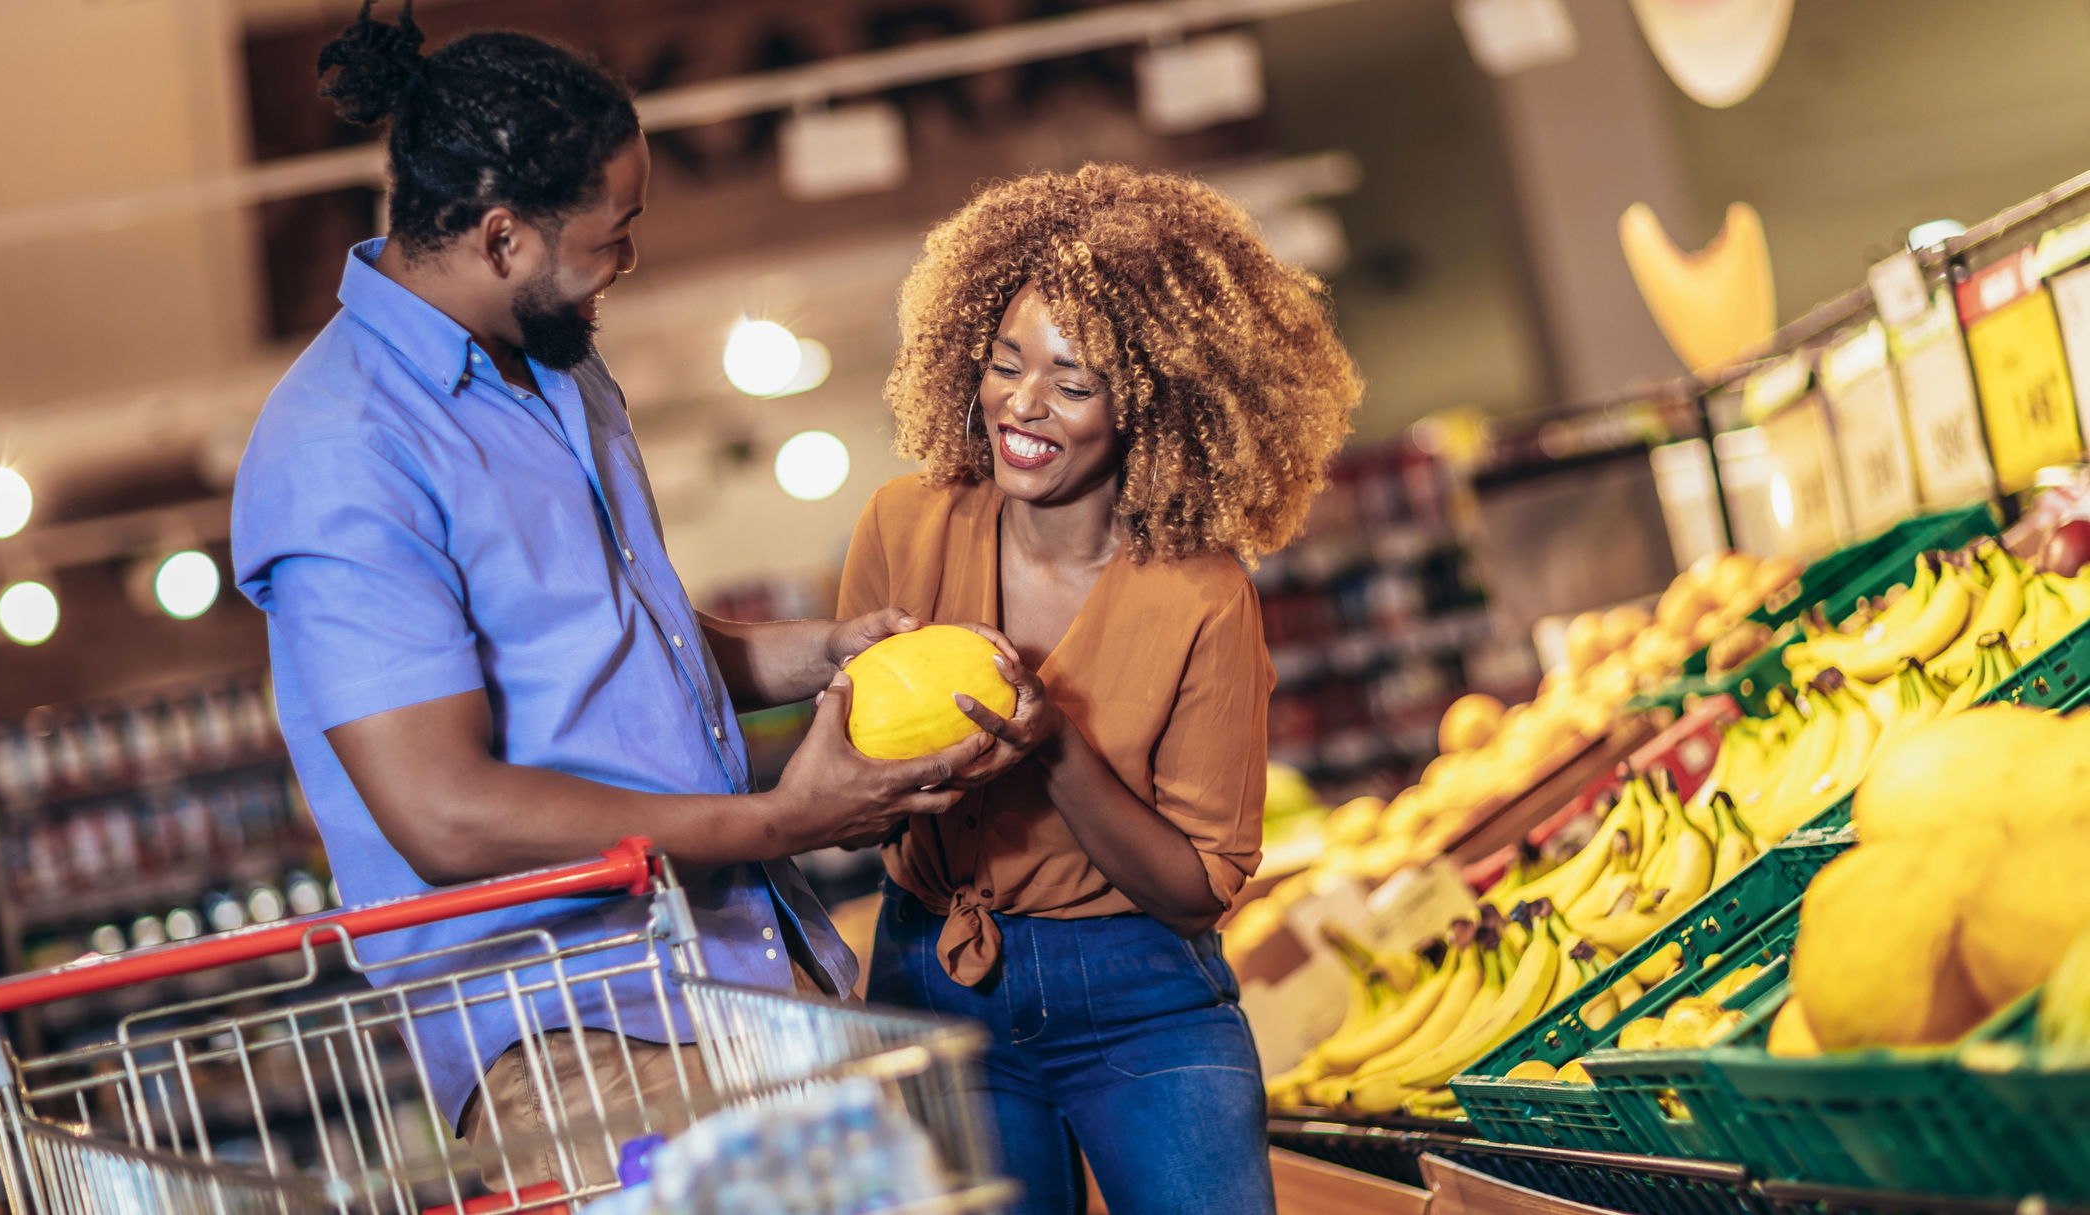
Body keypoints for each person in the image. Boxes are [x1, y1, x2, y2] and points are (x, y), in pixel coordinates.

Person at [230, 1, 997, 1192]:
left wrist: (817, 654)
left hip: (738, 959)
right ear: (500, 237)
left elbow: (610, 649)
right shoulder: (341, 450)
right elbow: (443, 812)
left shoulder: (554, 368)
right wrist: (781, 820)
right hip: (570, 1031)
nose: (627, 263)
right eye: (613, 232)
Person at [838, 164, 1361, 1215]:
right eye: (1002, 364)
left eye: (1073, 384)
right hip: (933, 981)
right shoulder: (906, 525)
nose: (1021, 407)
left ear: (1155, 406)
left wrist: (1051, 746)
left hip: (1140, 1000)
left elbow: (1194, 889)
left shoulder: (1204, 596)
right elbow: (840, 774)